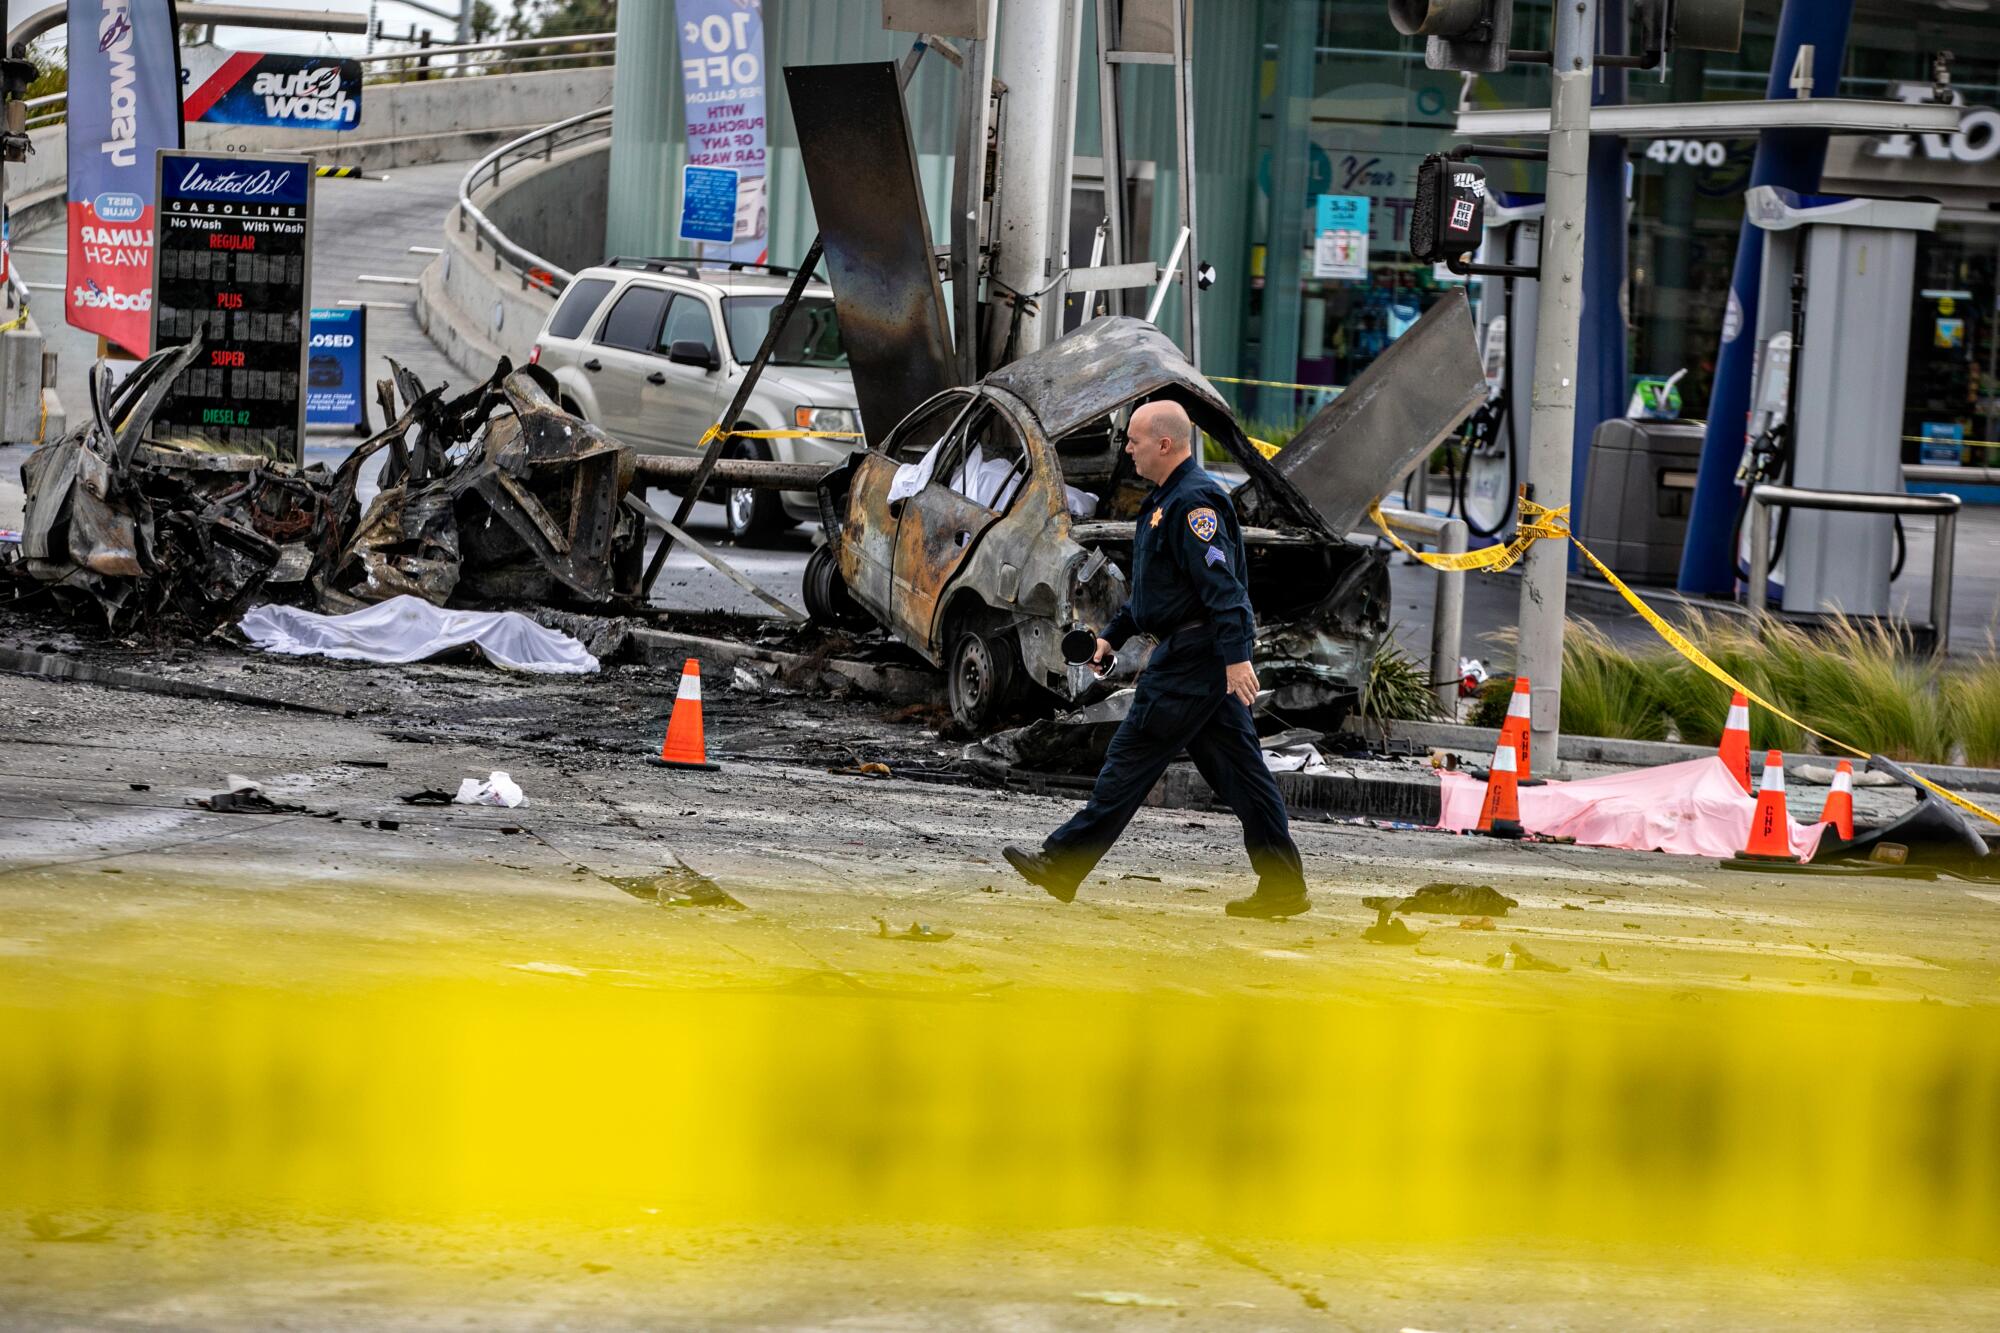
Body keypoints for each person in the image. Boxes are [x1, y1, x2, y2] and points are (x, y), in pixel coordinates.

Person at [1001, 400, 1311, 920]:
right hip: (1198, 655)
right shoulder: (1166, 500)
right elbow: (1152, 596)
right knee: (1243, 774)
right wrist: (1110, 639)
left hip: (1195, 658)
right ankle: (1282, 885)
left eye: (1134, 441)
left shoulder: (1195, 505)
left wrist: (1237, 659)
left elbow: (1225, 591)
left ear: (1164, 444)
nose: (1127, 449)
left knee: (1130, 756)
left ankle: (1062, 863)